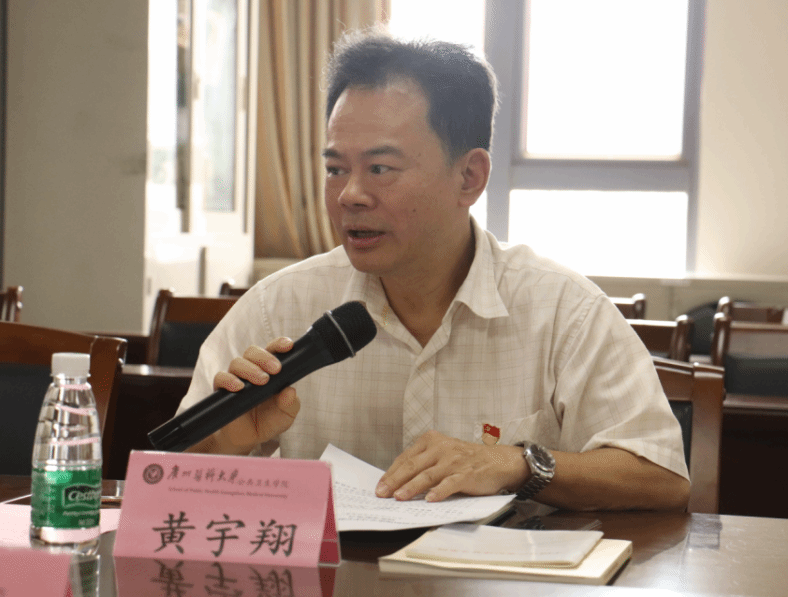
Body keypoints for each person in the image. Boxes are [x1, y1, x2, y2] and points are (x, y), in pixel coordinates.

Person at [177, 30, 690, 511]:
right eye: (335, 168)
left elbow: (661, 476)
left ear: (469, 176)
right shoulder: (276, 308)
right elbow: (170, 478)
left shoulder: (562, 310)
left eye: (380, 168)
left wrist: (516, 463)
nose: (350, 195)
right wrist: (226, 443)